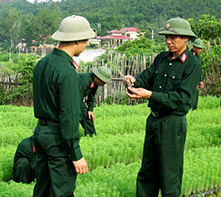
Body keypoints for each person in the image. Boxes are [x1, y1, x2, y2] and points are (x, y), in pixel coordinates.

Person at [123, 17, 201, 196]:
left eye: (174, 37)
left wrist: (149, 94)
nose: (168, 41)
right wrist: (133, 80)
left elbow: (181, 98)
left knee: (169, 174)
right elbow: (146, 77)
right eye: (166, 37)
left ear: (186, 39)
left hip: (172, 123)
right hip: (154, 120)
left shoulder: (192, 64)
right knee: (147, 171)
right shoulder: (162, 58)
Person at [32, 15, 96, 196]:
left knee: (43, 189)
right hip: (58, 138)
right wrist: (76, 154)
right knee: (62, 191)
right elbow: (69, 115)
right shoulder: (67, 72)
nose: (85, 45)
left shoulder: (42, 63)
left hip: (41, 133)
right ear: (77, 40)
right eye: (86, 41)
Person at [79, 66, 112, 137]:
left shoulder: (95, 83)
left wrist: (90, 110)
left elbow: (91, 96)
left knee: (88, 117)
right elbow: (76, 97)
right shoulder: (85, 80)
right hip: (72, 98)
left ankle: (91, 137)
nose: (104, 84)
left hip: (77, 99)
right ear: (97, 78)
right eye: (103, 82)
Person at [191, 38, 205, 110]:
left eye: (201, 48)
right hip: (190, 82)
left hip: (196, 81)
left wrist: (199, 81)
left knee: (195, 98)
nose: (200, 50)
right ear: (194, 47)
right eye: (199, 48)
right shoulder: (190, 56)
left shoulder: (197, 56)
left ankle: (193, 110)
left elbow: (198, 70)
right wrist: (194, 82)